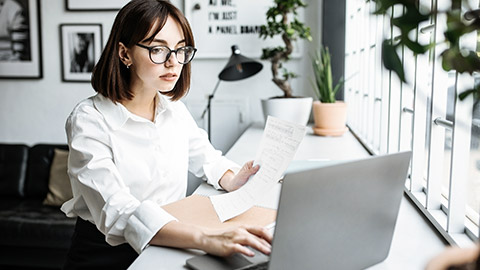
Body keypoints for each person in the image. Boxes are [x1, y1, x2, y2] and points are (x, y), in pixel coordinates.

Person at [61, 0, 271, 269]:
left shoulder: (173, 110)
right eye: (158, 49)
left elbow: (208, 159)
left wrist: (234, 179)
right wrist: (208, 238)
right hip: (108, 253)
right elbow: (120, 212)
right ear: (124, 54)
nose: (173, 62)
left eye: (180, 49)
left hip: (173, 240)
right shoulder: (89, 119)